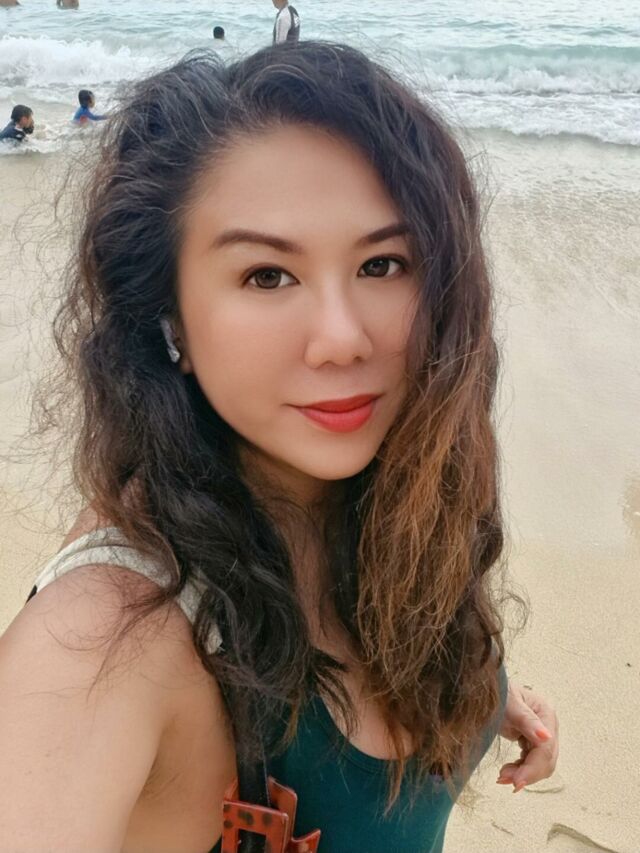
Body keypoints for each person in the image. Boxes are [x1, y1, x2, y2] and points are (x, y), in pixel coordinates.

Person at [0, 44, 558, 852]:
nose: (341, 338)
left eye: (382, 263)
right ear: (168, 318)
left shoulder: (386, 502)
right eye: (266, 275)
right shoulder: (102, 639)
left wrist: (487, 695)